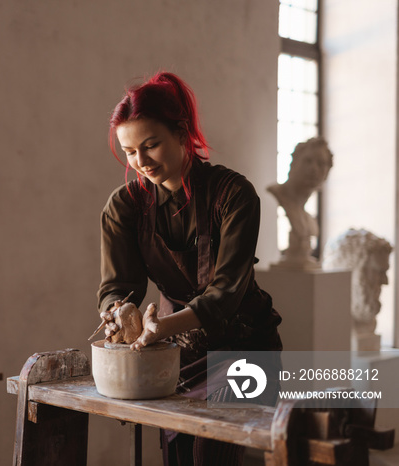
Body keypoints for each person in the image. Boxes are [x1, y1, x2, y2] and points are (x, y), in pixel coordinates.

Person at [97, 71, 283, 466]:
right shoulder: (124, 207)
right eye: (130, 152)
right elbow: (118, 285)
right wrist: (120, 312)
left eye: (151, 146)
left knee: (209, 458)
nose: (141, 162)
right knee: (177, 456)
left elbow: (226, 292)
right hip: (175, 355)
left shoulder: (234, 195)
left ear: (182, 135)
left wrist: (161, 328)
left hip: (244, 348)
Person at [267, 137, 333, 268]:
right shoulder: (276, 194)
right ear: (294, 162)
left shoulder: (309, 219)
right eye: (308, 161)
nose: (314, 169)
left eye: (321, 164)